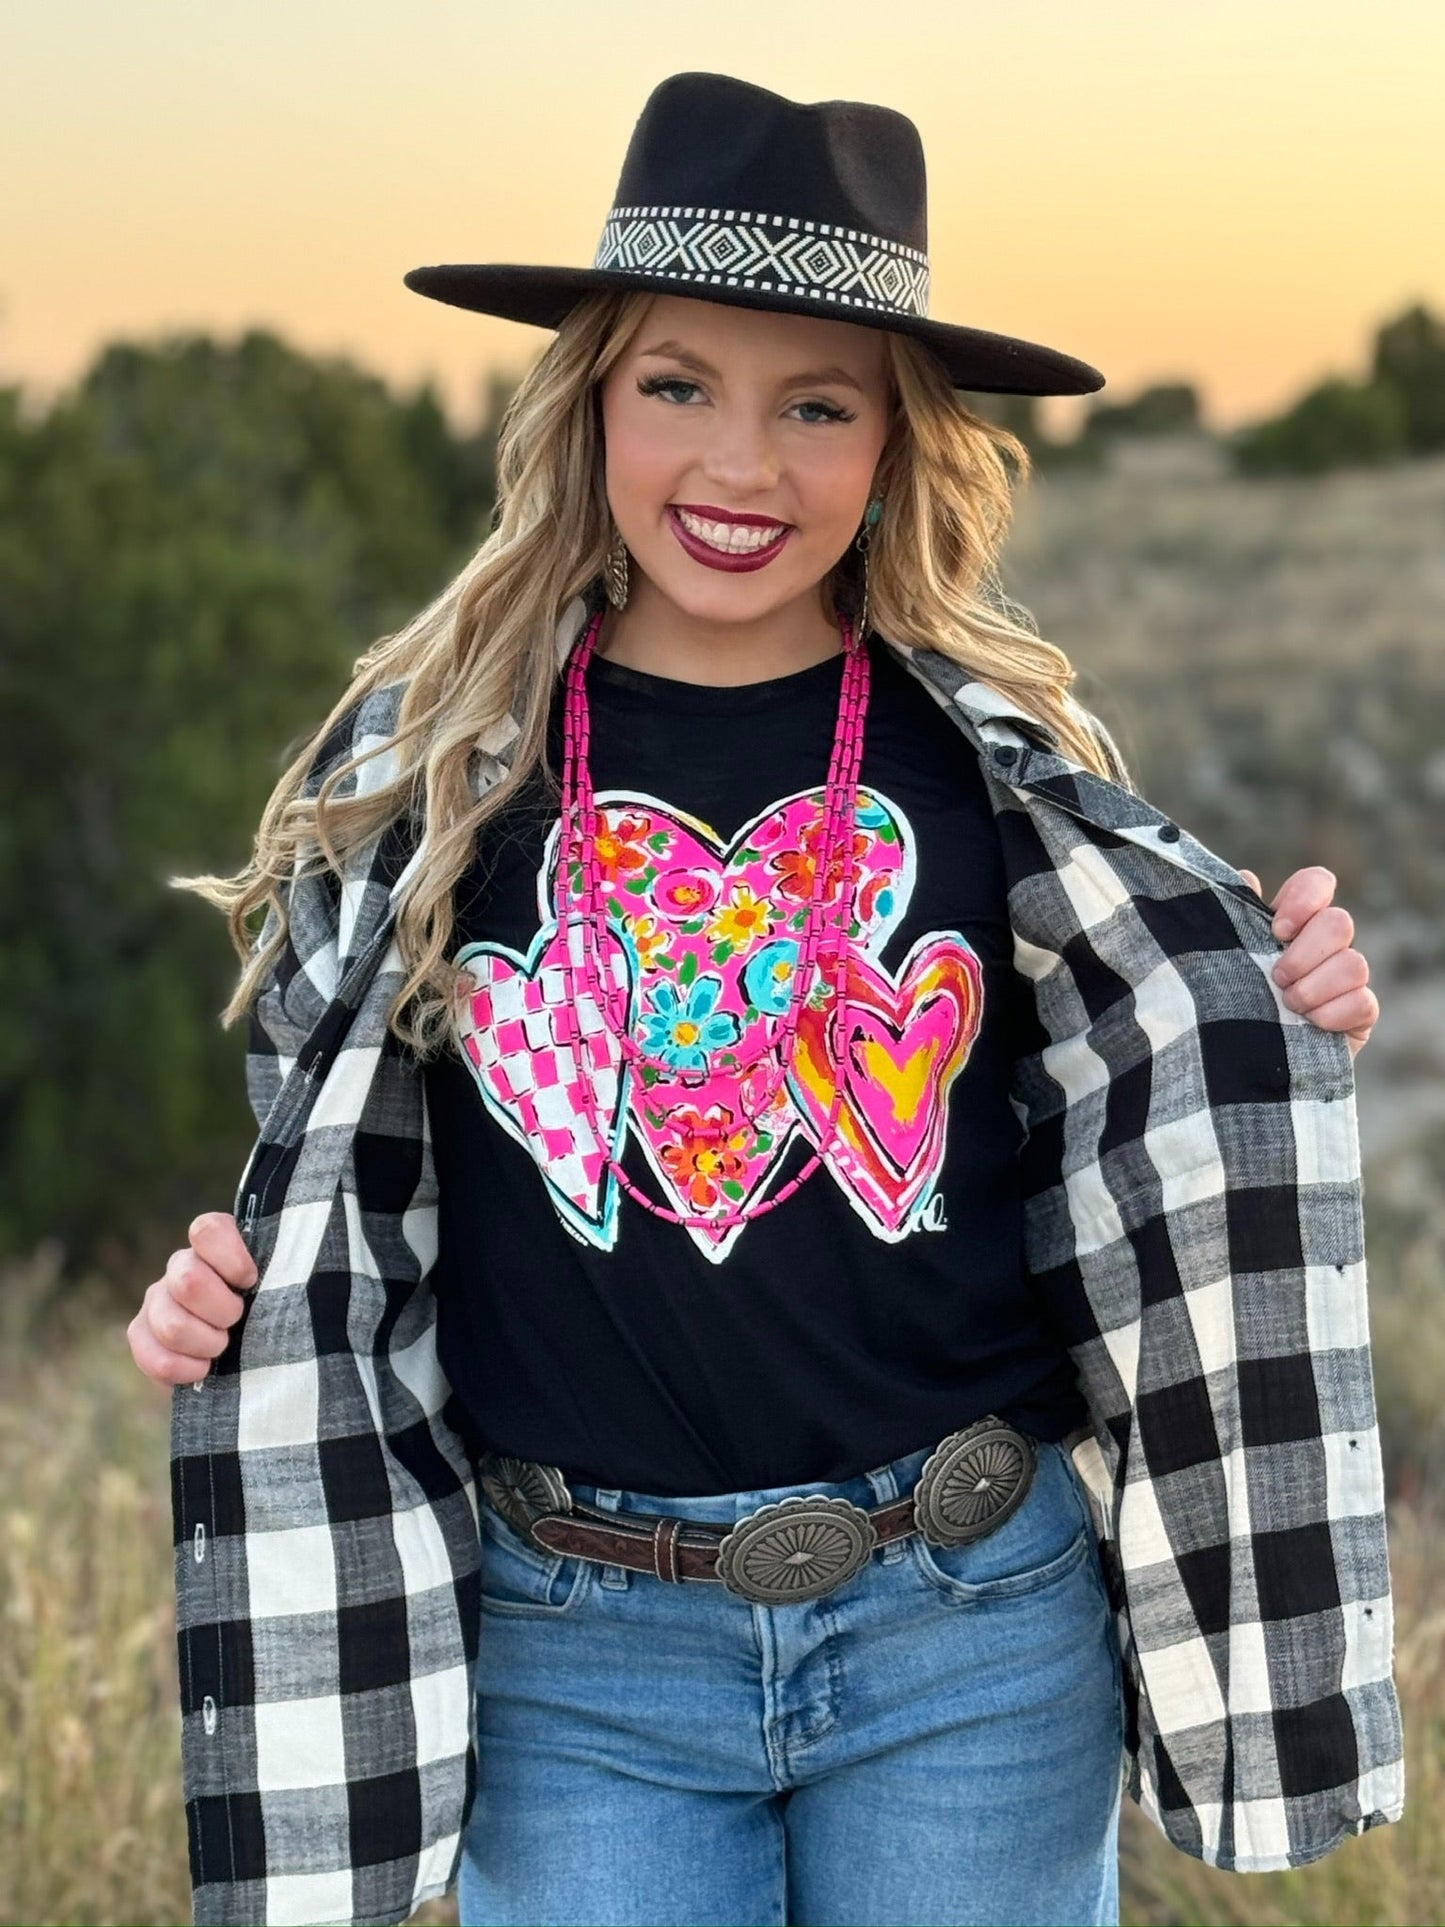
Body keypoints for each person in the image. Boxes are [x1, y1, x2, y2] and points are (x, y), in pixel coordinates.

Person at [128, 71, 1398, 1927]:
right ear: (589, 403)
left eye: (817, 405)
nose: (741, 466)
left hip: (968, 1622)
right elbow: (324, 1171)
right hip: (579, 1653)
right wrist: (214, 1295)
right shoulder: (440, 770)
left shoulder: (996, 766)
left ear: (894, 446)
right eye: (677, 387)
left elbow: (1143, 1097)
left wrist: (1276, 1016)